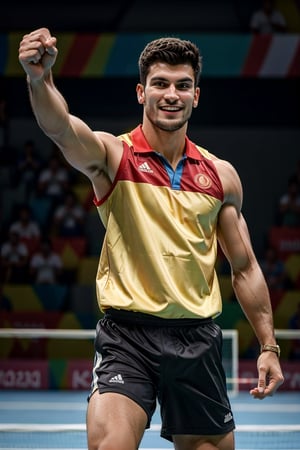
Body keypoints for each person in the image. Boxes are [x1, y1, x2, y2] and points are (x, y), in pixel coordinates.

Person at [19, 28, 284, 450]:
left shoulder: (221, 176)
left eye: (183, 85)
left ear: (196, 96)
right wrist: (40, 80)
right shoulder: (113, 156)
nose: (171, 94)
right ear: (141, 92)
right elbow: (62, 130)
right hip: (128, 336)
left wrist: (268, 346)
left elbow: (245, 267)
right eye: (160, 84)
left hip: (196, 338)